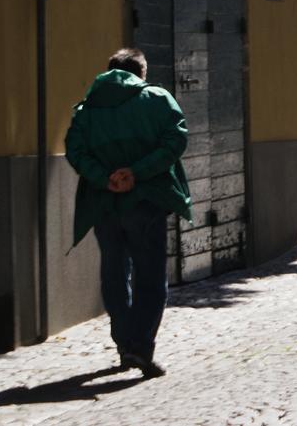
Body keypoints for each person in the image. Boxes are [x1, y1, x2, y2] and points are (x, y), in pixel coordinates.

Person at [65, 47, 192, 378]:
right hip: (146, 200)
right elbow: (176, 140)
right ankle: (139, 347)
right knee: (150, 276)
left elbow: (75, 150)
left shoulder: (86, 108)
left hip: (104, 203)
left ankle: (124, 343)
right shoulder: (157, 98)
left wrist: (104, 178)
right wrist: (136, 172)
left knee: (113, 273)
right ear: (141, 72)